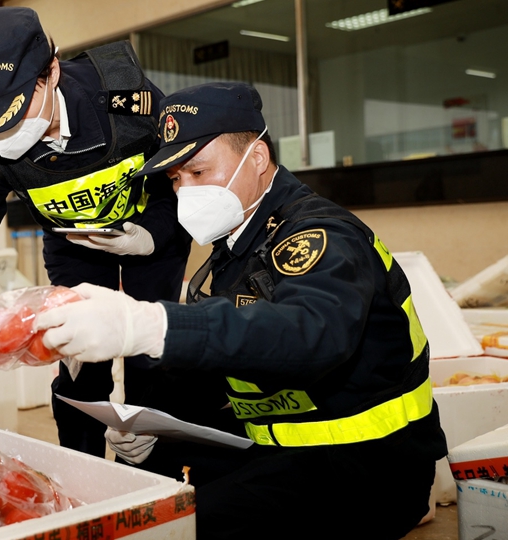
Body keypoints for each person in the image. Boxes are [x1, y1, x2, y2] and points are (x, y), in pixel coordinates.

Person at [34, 83, 448, 539]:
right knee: (146, 506)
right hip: (285, 446)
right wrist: (153, 434)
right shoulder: (240, 242)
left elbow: (308, 335)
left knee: (180, 531)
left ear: (257, 158)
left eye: (198, 171)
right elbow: (239, 361)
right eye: (175, 180)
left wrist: (152, 324)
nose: (184, 191)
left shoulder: (320, 234)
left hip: (367, 464)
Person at [0, 6, 205, 462]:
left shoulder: (122, 98)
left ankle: (154, 482)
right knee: (81, 368)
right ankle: (81, 474)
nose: (1, 130)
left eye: (13, 108)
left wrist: (150, 235)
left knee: (152, 358)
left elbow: (179, 171)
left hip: (152, 238)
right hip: (75, 246)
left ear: (51, 70)